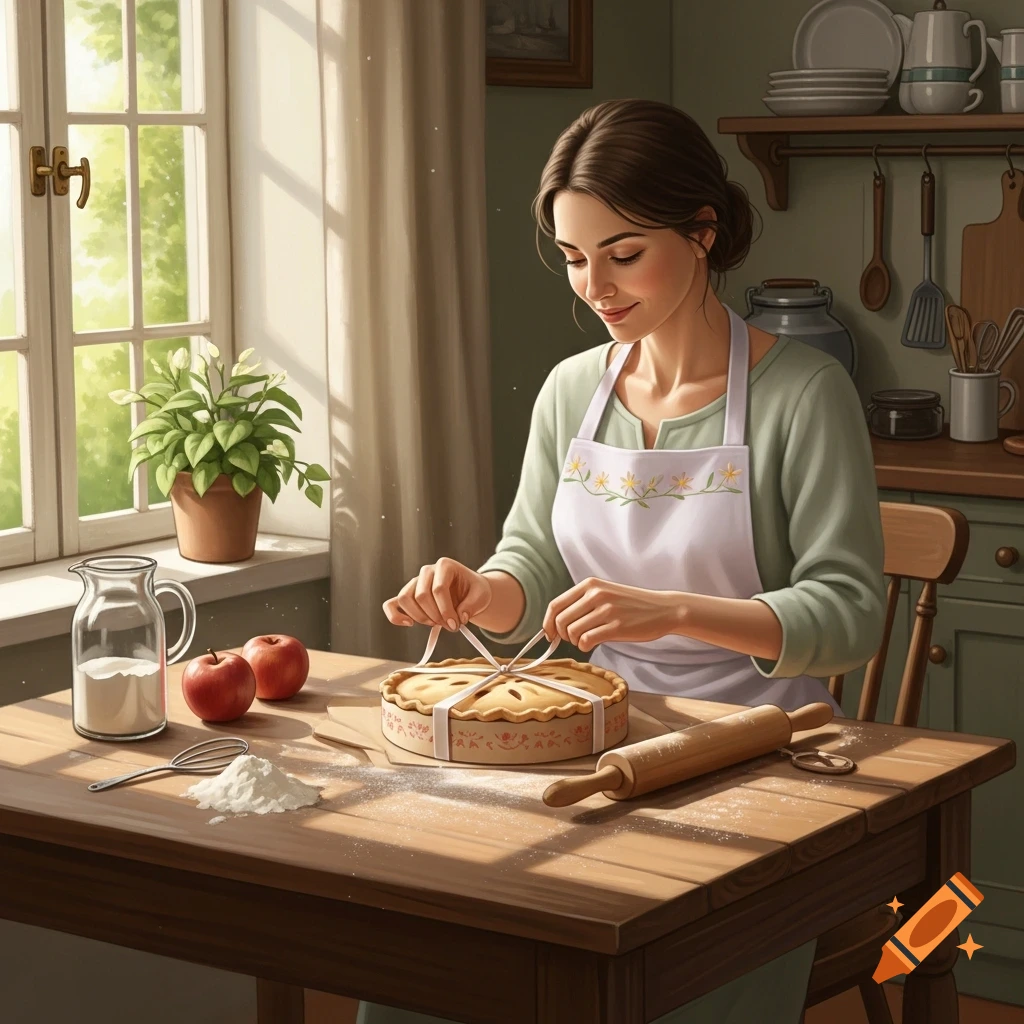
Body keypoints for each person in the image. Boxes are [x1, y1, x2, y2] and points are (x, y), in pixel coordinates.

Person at [367, 98, 886, 1024]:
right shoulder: (575, 390)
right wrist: (478, 592)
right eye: (574, 257)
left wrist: (675, 609)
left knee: (661, 977)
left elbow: (849, 616)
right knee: (432, 957)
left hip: (768, 761)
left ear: (702, 231)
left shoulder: (805, 393)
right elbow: (531, 561)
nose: (595, 286)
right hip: (601, 746)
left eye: (623, 252)